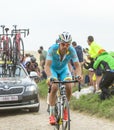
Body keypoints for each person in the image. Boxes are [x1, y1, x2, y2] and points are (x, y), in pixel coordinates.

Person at [45, 32, 82, 125]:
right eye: (63, 44)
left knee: (69, 86)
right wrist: (50, 77)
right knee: (54, 87)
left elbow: (78, 66)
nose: (65, 46)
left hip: (63, 69)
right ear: (59, 43)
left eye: (68, 44)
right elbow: (47, 66)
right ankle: (52, 114)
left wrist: (78, 75)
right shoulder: (52, 49)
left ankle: (65, 108)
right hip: (53, 69)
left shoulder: (72, 50)